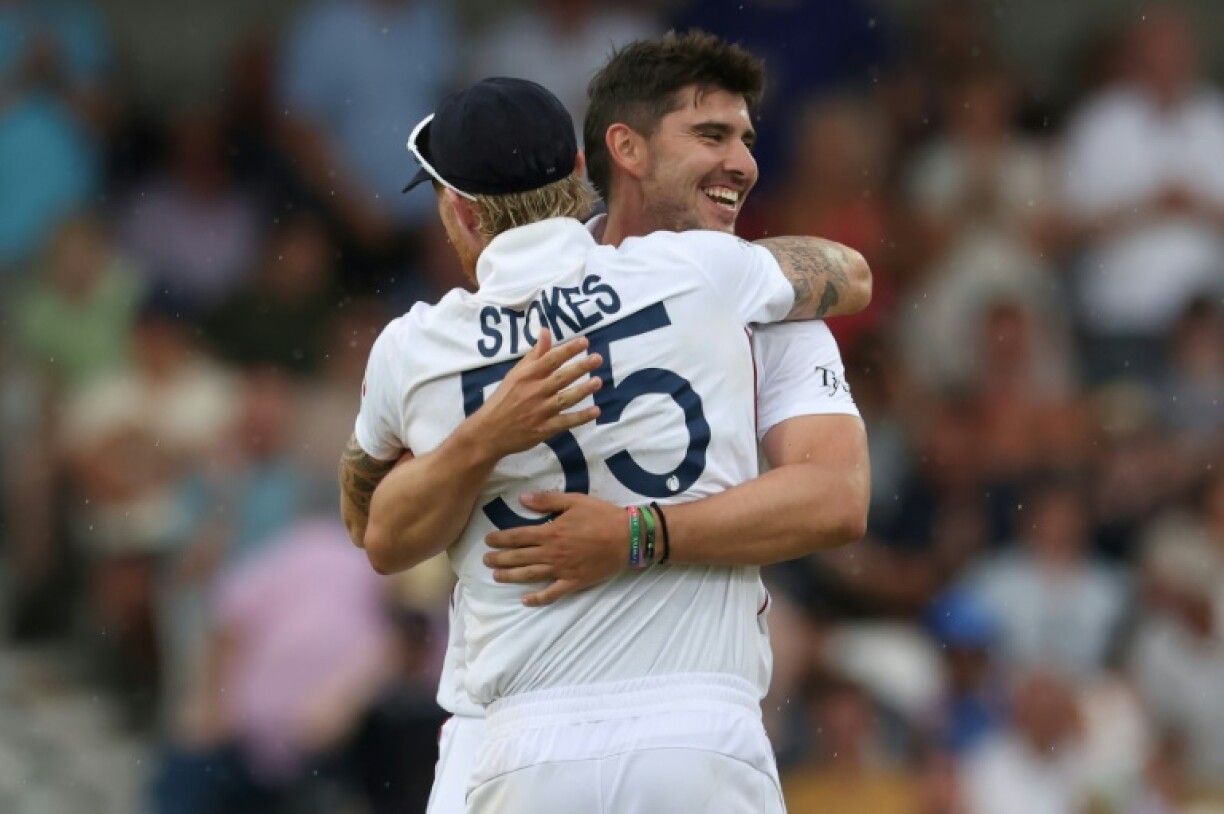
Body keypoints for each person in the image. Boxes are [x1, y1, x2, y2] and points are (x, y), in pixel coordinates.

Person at [352, 32, 871, 813]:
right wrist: (487, 437)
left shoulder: (424, 341)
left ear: (458, 209)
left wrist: (635, 534)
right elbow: (852, 273)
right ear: (607, 155)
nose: (743, 163)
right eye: (711, 135)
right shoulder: (718, 277)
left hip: (525, 749)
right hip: (581, 726)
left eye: (745, 139)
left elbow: (836, 499)